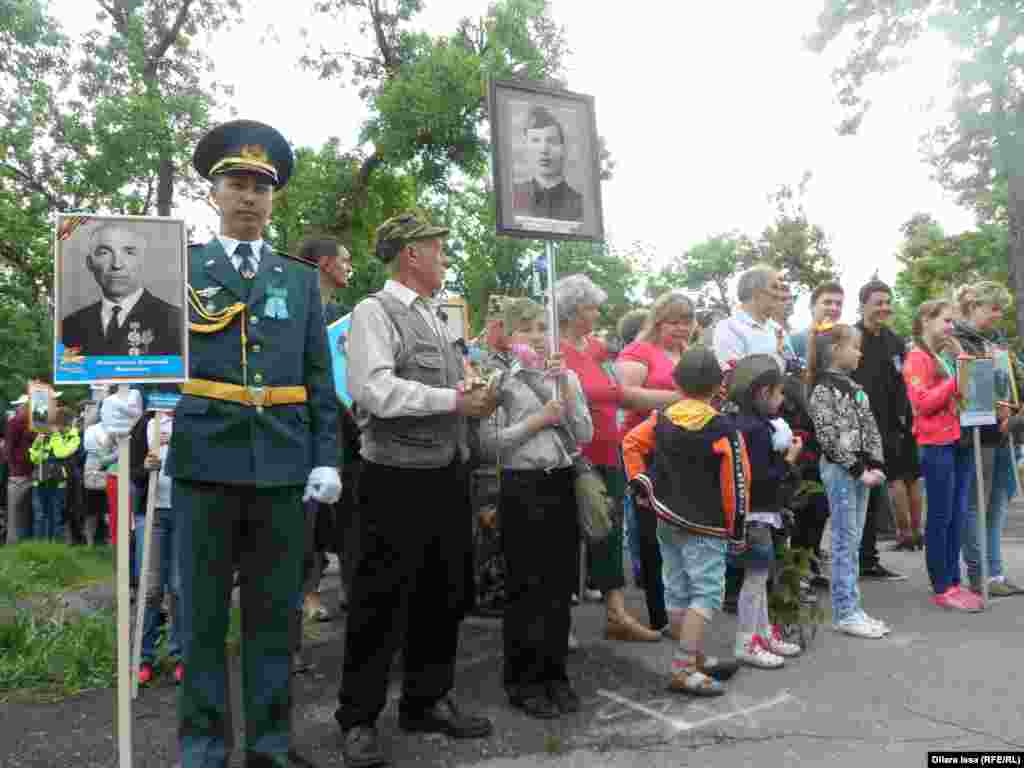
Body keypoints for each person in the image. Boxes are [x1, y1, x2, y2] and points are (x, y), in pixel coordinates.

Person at [94, 119, 342, 767]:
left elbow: (319, 378)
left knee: (273, 621)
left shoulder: (298, 279)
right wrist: (123, 398)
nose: (249, 196)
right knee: (200, 620)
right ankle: (203, 750)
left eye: (262, 186)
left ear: (274, 198)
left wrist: (327, 458)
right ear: (215, 193)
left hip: (283, 468)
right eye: (237, 183)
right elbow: (142, 352)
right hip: (203, 465)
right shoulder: (179, 269)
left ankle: (269, 747)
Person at [336, 210, 496, 768]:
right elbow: (373, 390)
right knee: (379, 600)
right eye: (438, 248)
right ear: (412, 254)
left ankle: (427, 700)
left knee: (443, 592)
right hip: (393, 477)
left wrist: (473, 389)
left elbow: (445, 385)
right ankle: (358, 718)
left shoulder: (434, 314)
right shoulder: (373, 311)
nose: (444, 258)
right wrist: (455, 400)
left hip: (445, 472)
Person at [477, 298, 592, 719]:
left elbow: (583, 433)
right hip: (522, 484)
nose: (539, 337)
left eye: (543, 328)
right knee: (526, 586)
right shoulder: (500, 381)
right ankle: (523, 680)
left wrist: (563, 390)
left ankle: (554, 674)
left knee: (559, 586)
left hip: (560, 481)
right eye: (527, 329)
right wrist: (536, 421)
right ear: (509, 337)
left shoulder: (566, 376)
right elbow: (487, 443)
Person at [623, 347, 747, 696]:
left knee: (677, 590)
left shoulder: (661, 418)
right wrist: (737, 529)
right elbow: (736, 483)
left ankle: (693, 657)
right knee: (705, 595)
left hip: (666, 519)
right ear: (719, 386)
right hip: (706, 526)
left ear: (676, 383)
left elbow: (630, 443)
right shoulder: (723, 428)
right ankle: (683, 668)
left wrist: (641, 483)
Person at [556, 273, 662, 643]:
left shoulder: (598, 349)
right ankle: (561, 621)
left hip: (608, 449)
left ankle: (616, 614)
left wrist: (678, 398)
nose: (597, 314)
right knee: (568, 534)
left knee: (611, 532)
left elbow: (620, 394)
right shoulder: (554, 350)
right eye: (591, 308)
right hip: (574, 454)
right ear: (572, 311)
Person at [616, 292, 695, 635]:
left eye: (686, 321)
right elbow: (626, 394)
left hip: (684, 452)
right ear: (658, 321)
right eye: (673, 321)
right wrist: (681, 399)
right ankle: (660, 613)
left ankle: (682, 607)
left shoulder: (689, 354)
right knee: (652, 532)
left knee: (682, 531)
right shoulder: (638, 351)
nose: (681, 328)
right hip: (645, 450)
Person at [807, 323, 893, 638]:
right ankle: (845, 612)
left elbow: (870, 428)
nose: (859, 353)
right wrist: (858, 469)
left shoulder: (855, 388)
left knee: (853, 541)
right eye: (854, 347)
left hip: (862, 472)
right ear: (836, 350)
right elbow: (827, 437)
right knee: (844, 540)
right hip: (841, 471)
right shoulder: (822, 390)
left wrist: (876, 464)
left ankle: (853, 608)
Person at [725, 355, 804, 667]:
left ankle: (762, 634)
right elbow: (761, 476)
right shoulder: (756, 429)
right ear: (762, 393)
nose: (782, 399)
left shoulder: (746, 423)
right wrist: (789, 459)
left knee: (759, 577)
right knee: (756, 579)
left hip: (755, 512)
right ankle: (747, 641)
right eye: (779, 393)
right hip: (756, 513)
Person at [903, 299, 981, 612]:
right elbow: (922, 403)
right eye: (946, 320)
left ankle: (954, 581)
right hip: (936, 443)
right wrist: (955, 379)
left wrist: (961, 362)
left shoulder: (941, 355)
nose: (951, 326)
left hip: (958, 439)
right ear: (926, 319)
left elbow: (961, 392)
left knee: (956, 515)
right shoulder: (917, 357)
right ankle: (942, 585)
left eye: (952, 321)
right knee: (941, 516)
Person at [953, 282, 1024, 596]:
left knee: (997, 506)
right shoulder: (957, 340)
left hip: (1006, 432)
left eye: (1000, 310)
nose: (998, 315)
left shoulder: (997, 340)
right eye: (993, 309)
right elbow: (966, 389)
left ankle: (995, 573)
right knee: (975, 506)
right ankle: (979, 573)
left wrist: (1016, 409)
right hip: (977, 434)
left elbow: (1015, 378)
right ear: (974, 305)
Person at [852, 280, 915, 576]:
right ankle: (853, 558)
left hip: (888, 431)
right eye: (878, 302)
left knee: (875, 497)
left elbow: (903, 384)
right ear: (863, 304)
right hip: (855, 430)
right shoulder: (852, 338)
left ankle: (868, 559)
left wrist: (903, 425)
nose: (884, 308)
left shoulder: (895, 341)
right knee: (855, 499)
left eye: (888, 302)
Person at [61, 222, 183, 357]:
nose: (117, 264)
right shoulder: (69, 326)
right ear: (90, 263)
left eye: (129, 252)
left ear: (143, 260)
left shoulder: (176, 321)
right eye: (104, 253)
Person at [134, 408, 183, 686]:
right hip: (151, 514)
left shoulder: (189, 418)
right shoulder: (145, 422)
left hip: (184, 513)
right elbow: (132, 472)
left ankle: (180, 656)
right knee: (150, 589)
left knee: (179, 588)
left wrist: (179, 447)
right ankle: (143, 658)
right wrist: (145, 467)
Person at [512, 106, 583, 222]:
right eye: (535, 141)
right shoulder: (513, 196)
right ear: (526, 148)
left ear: (564, 149)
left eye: (552, 141)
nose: (544, 149)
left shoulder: (580, 205)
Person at [712, 265, 788, 371]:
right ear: (756, 291)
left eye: (781, 288)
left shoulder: (777, 329)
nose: (779, 294)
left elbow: (790, 363)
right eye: (774, 287)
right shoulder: (728, 328)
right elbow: (737, 376)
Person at [28, 407, 80, 541]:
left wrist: (56, 435)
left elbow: (60, 453)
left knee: (56, 514)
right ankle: (39, 545)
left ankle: (56, 546)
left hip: (59, 479)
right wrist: (37, 444)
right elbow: (34, 459)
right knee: (40, 514)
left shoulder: (73, 437)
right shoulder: (46, 435)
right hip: (41, 476)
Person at [5, 395, 36, 543]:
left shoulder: (32, 423)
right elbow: (9, 448)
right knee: (16, 509)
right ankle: (14, 541)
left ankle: (22, 540)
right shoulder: (15, 423)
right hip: (19, 473)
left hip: (28, 471)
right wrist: (14, 466)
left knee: (23, 510)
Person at [790, 282, 845, 363]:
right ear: (812, 306)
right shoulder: (796, 341)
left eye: (839, 304)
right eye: (827, 303)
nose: (834, 308)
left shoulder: (845, 343)